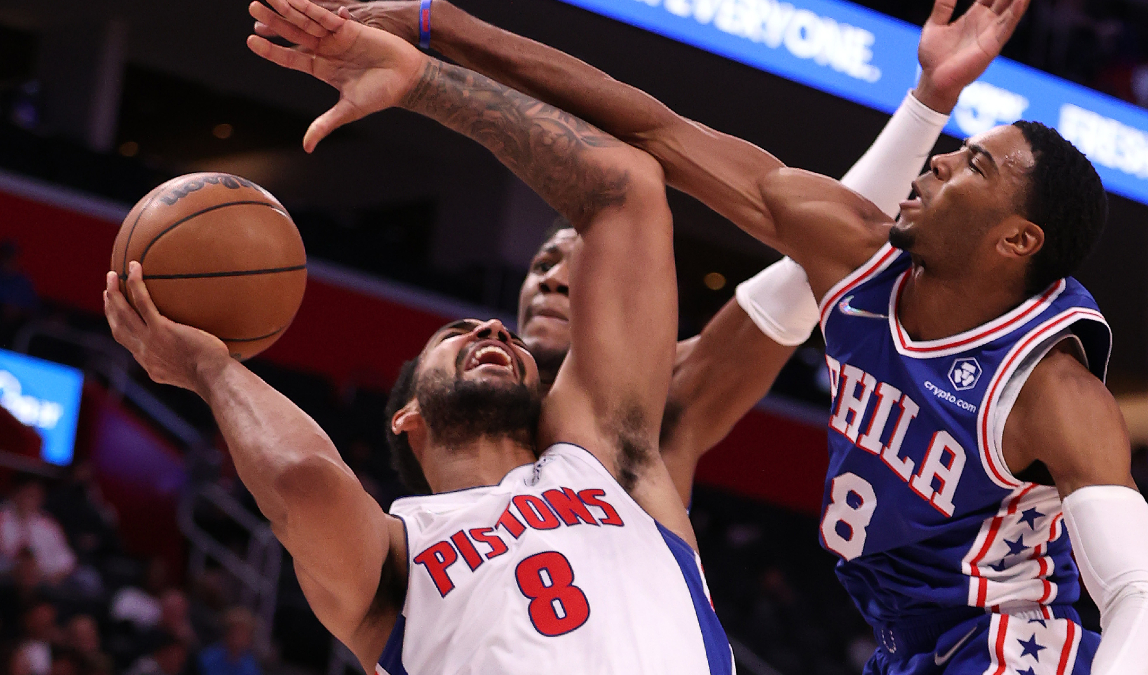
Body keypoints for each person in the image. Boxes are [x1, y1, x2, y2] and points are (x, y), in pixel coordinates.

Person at [307, 0, 1148, 673]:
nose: (943, 163)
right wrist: (440, 24)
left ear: (1017, 240)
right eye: (543, 266)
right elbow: (658, 128)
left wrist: (435, 44)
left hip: (1010, 645)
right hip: (906, 643)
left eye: (974, 165)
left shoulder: (1046, 387)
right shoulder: (858, 261)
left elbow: (1136, 591)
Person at [106, 2, 727, 674]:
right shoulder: (398, 557)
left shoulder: (607, 460)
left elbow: (627, 188)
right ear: (406, 415)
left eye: (505, 336)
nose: (493, 327)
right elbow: (303, 479)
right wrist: (211, 369)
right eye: (455, 332)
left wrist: (423, 81)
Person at [298, 0, 1026, 506]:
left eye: (578, 265)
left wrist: (926, 103)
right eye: (543, 264)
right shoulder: (460, 420)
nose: (553, 279)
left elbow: (817, 262)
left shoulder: (665, 402)